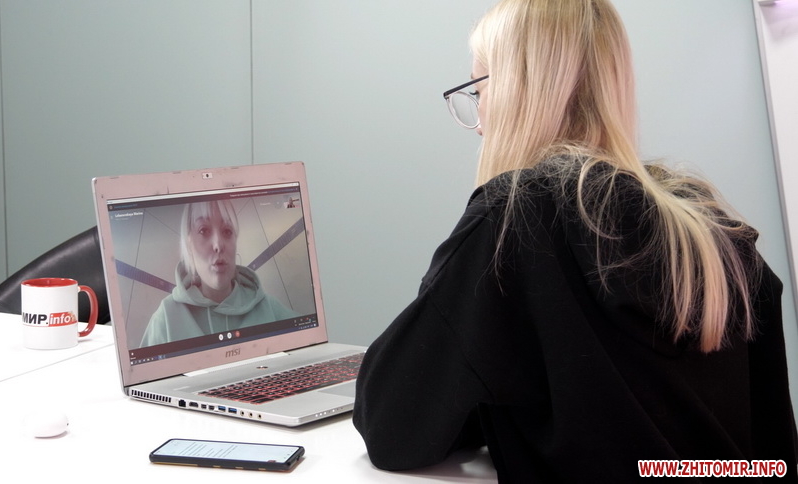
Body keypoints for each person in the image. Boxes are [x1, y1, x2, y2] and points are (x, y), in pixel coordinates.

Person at [352, 0, 798, 481]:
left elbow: (390, 426)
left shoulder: (517, 215)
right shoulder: (707, 222)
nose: (479, 121)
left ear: (519, 92)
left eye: (479, 91)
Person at [140, 199, 296, 347]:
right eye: (203, 230)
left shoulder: (270, 309)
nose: (218, 245)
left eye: (227, 231)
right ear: (189, 244)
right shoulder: (165, 320)